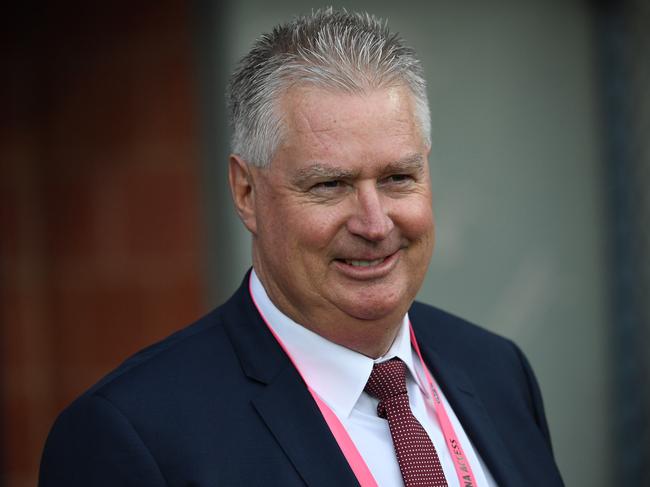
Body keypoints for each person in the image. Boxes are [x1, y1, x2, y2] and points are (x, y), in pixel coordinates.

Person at [39, 9, 564, 487]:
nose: (375, 223)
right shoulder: (136, 438)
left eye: (399, 177)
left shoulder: (498, 370)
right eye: (329, 185)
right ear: (246, 192)